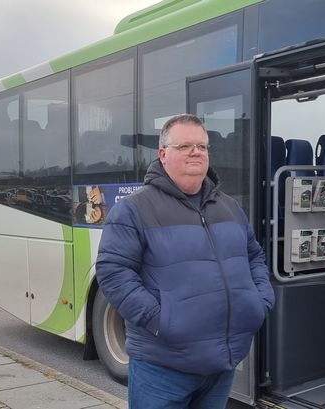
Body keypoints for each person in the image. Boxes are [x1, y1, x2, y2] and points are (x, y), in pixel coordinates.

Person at [95, 114, 275, 409]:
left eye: (202, 146)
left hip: (222, 363)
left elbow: (254, 256)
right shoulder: (133, 209)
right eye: (185, 146)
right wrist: (161, 320)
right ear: (163, 155)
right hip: (162, 368)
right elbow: (113, 273)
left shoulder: (229, 207)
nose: (196, 152)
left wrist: (260, 302)